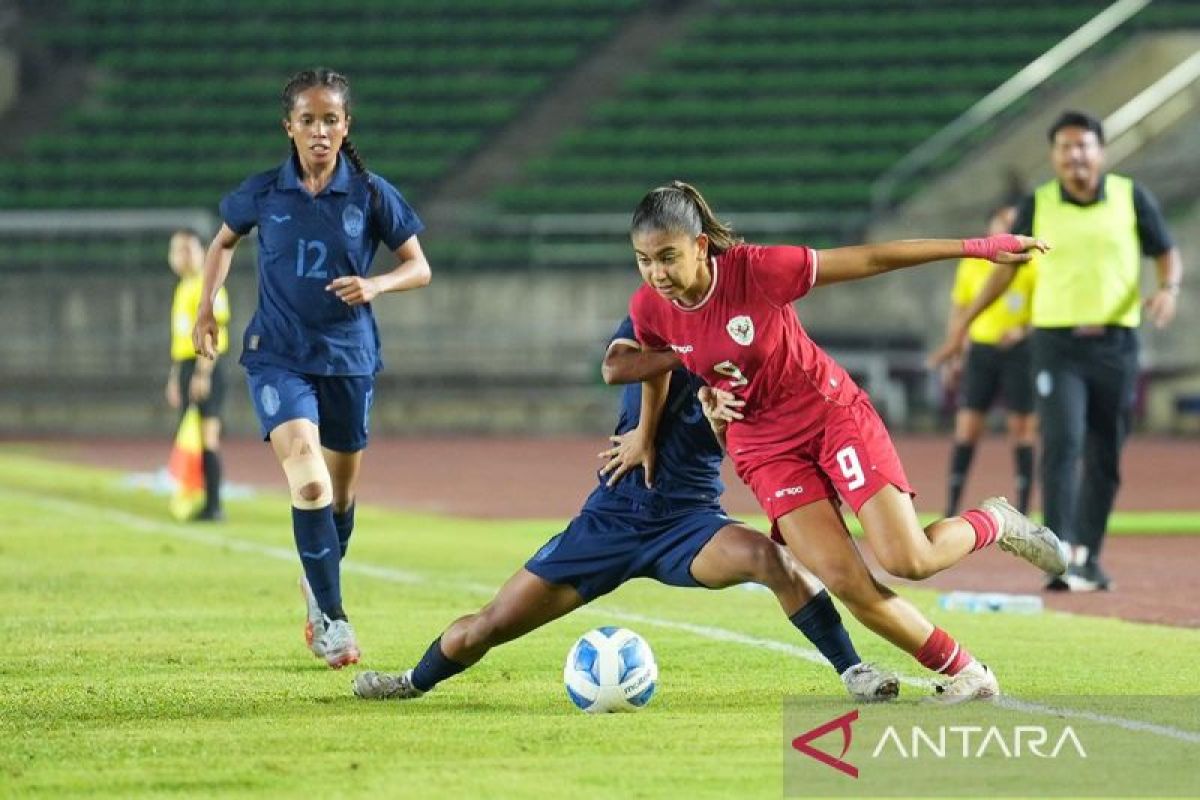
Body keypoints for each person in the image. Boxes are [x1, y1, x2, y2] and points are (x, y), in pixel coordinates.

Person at [615, 181, 1068, 702]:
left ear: (700, 246)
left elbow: (874, 258)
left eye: (668, 257)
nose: (657, 274)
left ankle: (997, 521)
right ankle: (970, 672)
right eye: (644, 260)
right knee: (846, 580)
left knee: (908, 560)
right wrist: (645, 433)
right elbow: (654, 365)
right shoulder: (650, 307)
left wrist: (976, 247)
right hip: (763, 449)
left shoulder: (758, 270)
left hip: (829, 415)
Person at [352, 317, 900, 704]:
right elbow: (617, 366)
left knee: (774, 562)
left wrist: (721, 422)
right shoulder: (654, 317)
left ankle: (853, 669)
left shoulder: (750, 357)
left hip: (689, 521)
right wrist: (645, 428)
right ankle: (410, 681)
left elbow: (754, 442)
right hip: (613, 516)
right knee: (489, 625)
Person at [192, 68, 431, 668]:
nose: (319, 131)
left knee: (342, 496)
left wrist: (377, 283)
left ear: (345, 125)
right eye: (308, 120)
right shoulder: (264, 193)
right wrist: (205, 310)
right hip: (277, 354)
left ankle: (315, 581)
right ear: (289, 127)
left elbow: (419, 266)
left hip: (349, 358)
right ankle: (333, 622)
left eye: (330, 120)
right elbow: (222, 242)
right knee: (310, 481)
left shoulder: (373, 193)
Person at [932, 111, 1183, 592]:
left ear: (1101, 152)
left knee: (1105, 449)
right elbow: (1004, 270)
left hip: (1116, 342)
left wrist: (1168, 287)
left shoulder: (1131, 198)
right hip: (1056, 344)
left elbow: (1165, 249)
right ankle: (1062, 555)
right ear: (1054, 157)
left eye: (1083, 146)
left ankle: (1090, 554)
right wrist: (963, 327)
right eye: (1065, 148)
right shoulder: (1039, 203)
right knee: (1063, 442)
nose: (1075, 156)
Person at [939, 205, 1037, 517]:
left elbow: (1046, 311)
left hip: (1019, 354)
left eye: (1014, 223)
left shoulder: (1030, 263)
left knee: (1022, 429)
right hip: (981, 351)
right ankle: (951, 506)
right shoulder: (972, 265)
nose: (1008, 227)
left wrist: (1022, 330)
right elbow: (959, 309)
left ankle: (1023, 510)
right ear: (989, 226)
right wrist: (954, 352)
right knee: (967, 429)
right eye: (1003, 222)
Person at [165, 228, 230, 521]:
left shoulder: (208, 283)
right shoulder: (183, 287)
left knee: (207, 436)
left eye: (188, 249)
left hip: (205, 366)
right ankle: (197, 497)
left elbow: (212, 333)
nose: (183, 256)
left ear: (202, 252)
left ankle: (213, 505)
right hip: (186, 366)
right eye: (178, 250)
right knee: (190, 435)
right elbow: (181, 339)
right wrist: (175, 376)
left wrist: (202, 373)